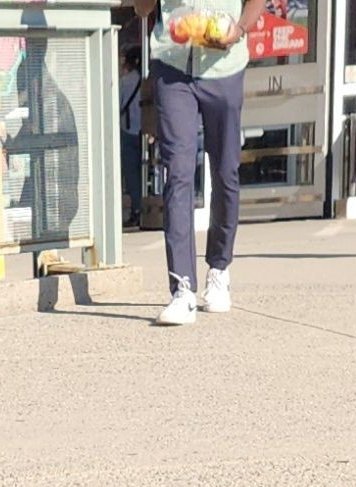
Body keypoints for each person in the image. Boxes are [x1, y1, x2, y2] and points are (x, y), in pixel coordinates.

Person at [134, 0, 269, 324]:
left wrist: (239, 29)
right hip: (173, 64)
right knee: (177, 173)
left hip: (224, 66)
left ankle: (219, 269)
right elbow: (141, 9)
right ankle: (182, 289)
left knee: (225, 171)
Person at [119, 46, 144, 229]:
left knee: (132, 174)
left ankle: (137, 209)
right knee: (146, 173)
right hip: (145, 132)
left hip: (127, 131)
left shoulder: (124, 82)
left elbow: (117, 105)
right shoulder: (146, 81)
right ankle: (145, 207)